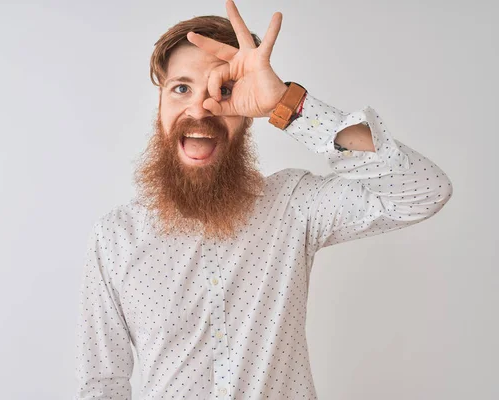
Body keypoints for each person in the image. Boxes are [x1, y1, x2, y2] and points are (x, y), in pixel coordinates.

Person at [74, 1, 453, 399]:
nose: (201, 107)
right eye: (181, 88)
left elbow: (424, 191)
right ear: (160, 106)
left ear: (248, 111)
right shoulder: (115, 238)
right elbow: (102, 384)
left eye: (224, 90)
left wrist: (286, 105)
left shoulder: (293, 205)